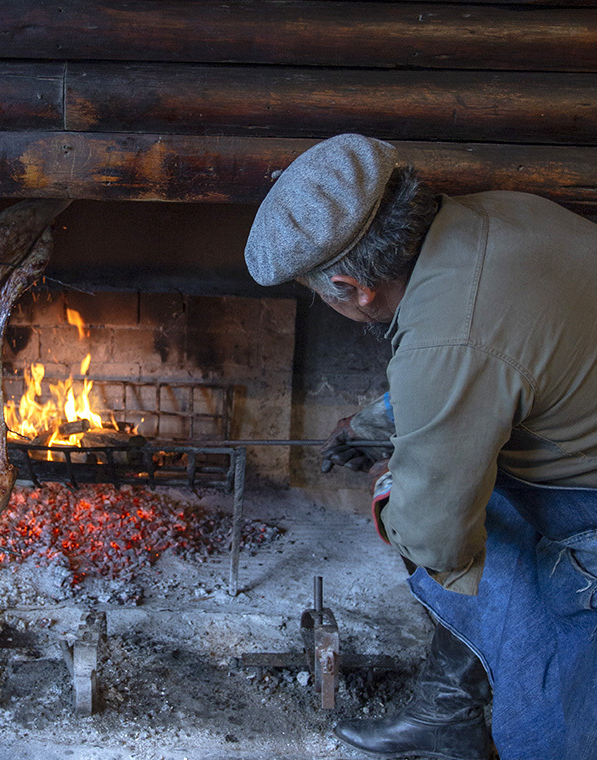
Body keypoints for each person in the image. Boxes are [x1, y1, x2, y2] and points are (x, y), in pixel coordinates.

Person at [244, 134, 597, 760]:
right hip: (574, 436)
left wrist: (391, 483)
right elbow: (491, 369)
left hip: (586, 517)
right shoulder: (492, 214)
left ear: (355, 288)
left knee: (544, 722)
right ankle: (448, 713)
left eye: (320, 293)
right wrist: (372, 427)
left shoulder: (448, 340)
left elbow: (436, 536)